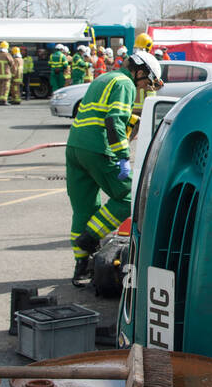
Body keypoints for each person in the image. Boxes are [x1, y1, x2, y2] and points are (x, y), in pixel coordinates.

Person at [66, 49, 161, 286]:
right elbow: (113, 119)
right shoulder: (124, 83)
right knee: (130, 197)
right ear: (138, 71)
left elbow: (101, 115)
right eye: (145, 81)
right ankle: (91, 238)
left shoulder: (103, 78)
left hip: (75, 148)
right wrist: (122, 157)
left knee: (84, 208)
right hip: (99, 149)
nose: (144, 87)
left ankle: (81, 268)